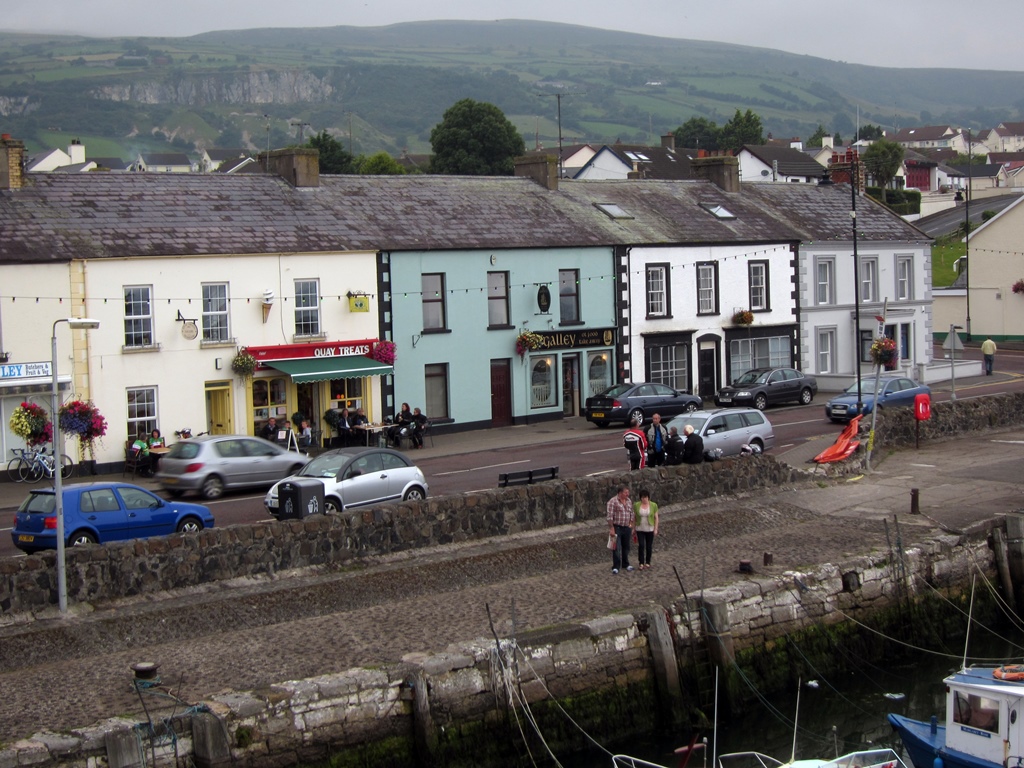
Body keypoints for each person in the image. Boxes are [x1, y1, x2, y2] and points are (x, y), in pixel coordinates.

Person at [606, 485, 634, 574]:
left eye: (628, 492)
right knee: (616, 547)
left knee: (626, 547)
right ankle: (616, 566)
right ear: (620, 493)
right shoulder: (612, 502)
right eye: (626, 492)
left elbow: (631, 513)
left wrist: (630, 525)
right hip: (617, 527)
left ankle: (625, 563)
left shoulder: (629, 501)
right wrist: (611, 528)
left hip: (626, 527)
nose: (627, 494)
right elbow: (609, 516)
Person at [632, 488, 659, 570]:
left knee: (649, 546)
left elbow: (656, 518)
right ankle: (641, 562)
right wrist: (633, 528)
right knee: (641, 545)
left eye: (646, 497)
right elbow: (634, 517)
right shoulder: (636, 505)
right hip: (640, 528)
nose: (644, 499)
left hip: (649, 528)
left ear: (648, 498)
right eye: (643, 498)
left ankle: (648, 561)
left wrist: (655, 529)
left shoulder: (653, 505)